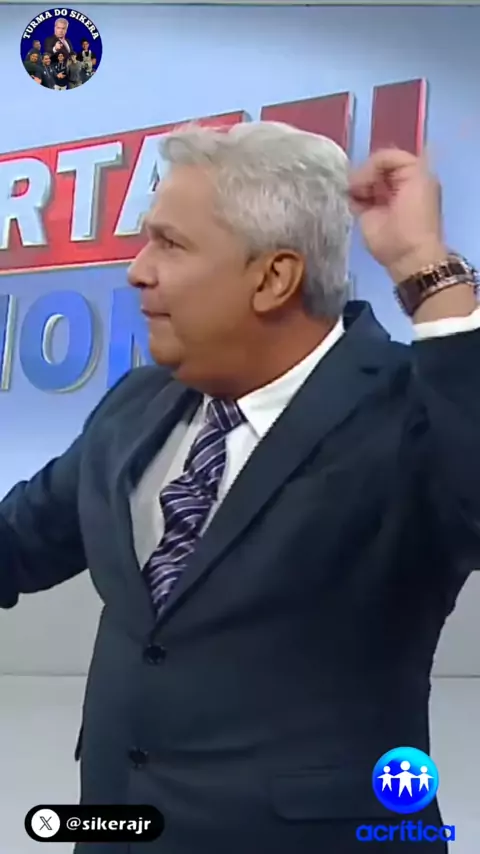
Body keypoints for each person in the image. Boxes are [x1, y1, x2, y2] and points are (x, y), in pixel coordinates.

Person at [1, 121, 480, 854]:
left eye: (170, 244)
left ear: (273, 277)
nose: (137, 271)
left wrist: (424, 266)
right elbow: (18, 543)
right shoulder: (136, 404)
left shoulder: (410, 415)